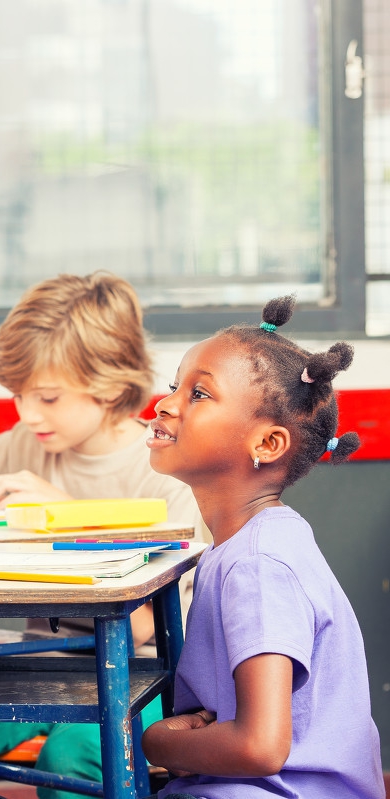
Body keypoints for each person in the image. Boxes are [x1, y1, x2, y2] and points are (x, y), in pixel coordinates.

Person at [0, 272, 205, 799]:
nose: (29, 414)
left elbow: (147, 627)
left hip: (143, 678)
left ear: (107, 383)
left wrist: (68, 517)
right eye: (18, 396)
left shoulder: (165, 467)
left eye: (48, 397)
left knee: (71, 756)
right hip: (30, 671)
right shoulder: (24, 445)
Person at [141, 296, 383, 798]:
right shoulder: (246, 546)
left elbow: (259, 747)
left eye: (199, 394)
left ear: (268, 445)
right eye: (174, 386)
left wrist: (159, 744)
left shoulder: (258, 564)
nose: (165, 404)